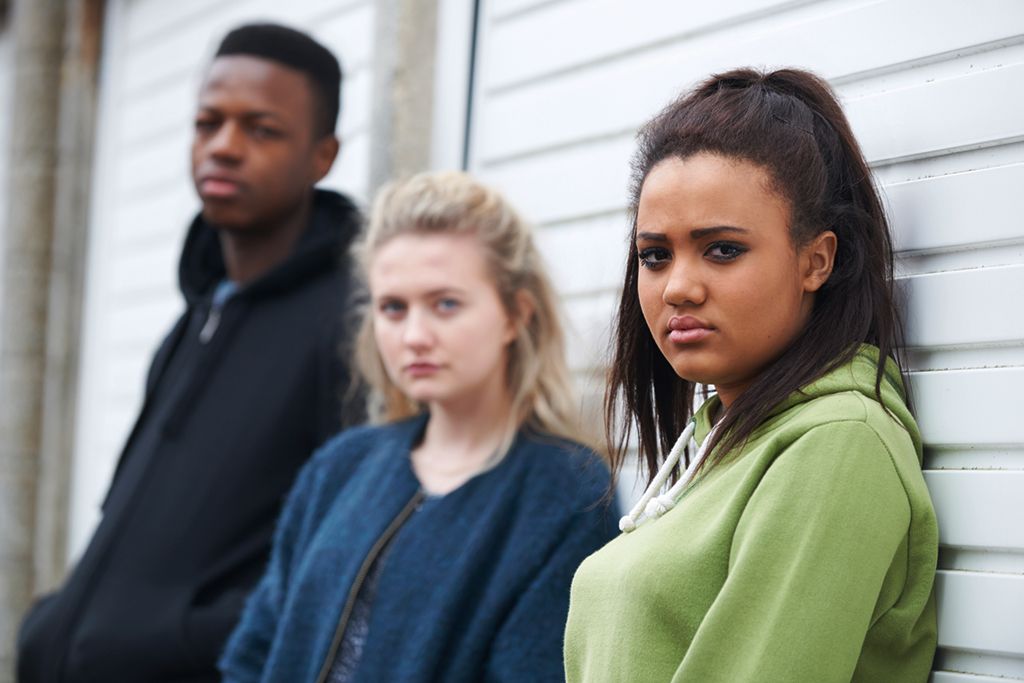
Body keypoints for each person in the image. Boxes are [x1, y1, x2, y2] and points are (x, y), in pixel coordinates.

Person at [564, 68, 938, 682]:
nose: (678, 287)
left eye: (722, 249)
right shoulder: (728, 437)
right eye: (655, 255)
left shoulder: (840, 444)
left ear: (816, 260)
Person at [18, 24, 364, 683]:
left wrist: (170, 642)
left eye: (261, 129)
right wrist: (55, 621)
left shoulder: (352, 322)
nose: (224, 147)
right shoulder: (195, 318)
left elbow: (337, 566)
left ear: (322, 156)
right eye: (209, 122)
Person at [218, 171, 618, 683]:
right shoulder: (341, 468)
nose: (414, 336)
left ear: (515, 314)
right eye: (393, 308)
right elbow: (253, 653)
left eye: (445, 304)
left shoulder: (570, 497)